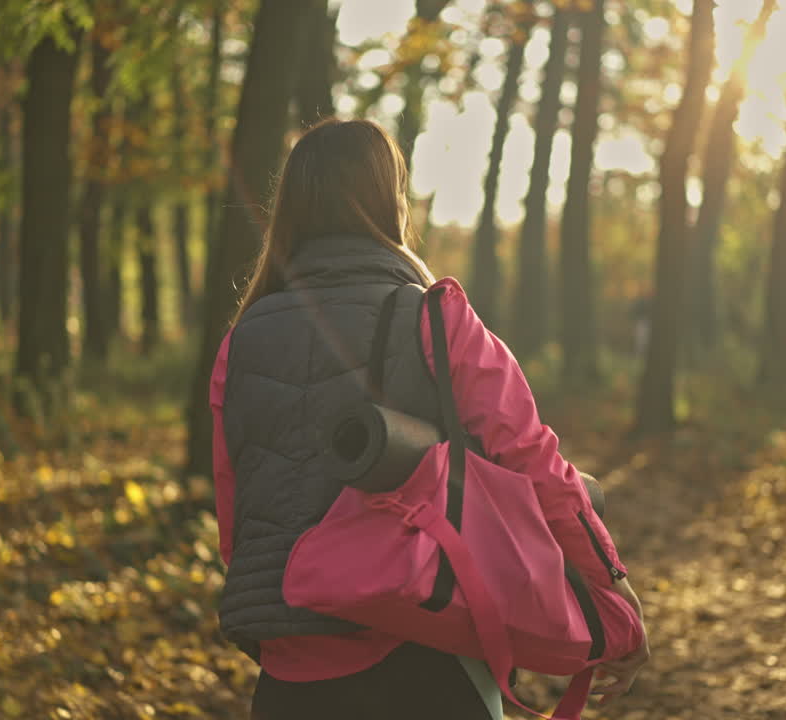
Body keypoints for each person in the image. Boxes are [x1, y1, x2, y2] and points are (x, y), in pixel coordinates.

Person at [209, 118, 649, 720]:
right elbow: (530, 457)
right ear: (389, 199)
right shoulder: (435, 316)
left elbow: (236, 507)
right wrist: (611, 583)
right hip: (418, 645)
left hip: (288, 669)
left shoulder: (241, 341)